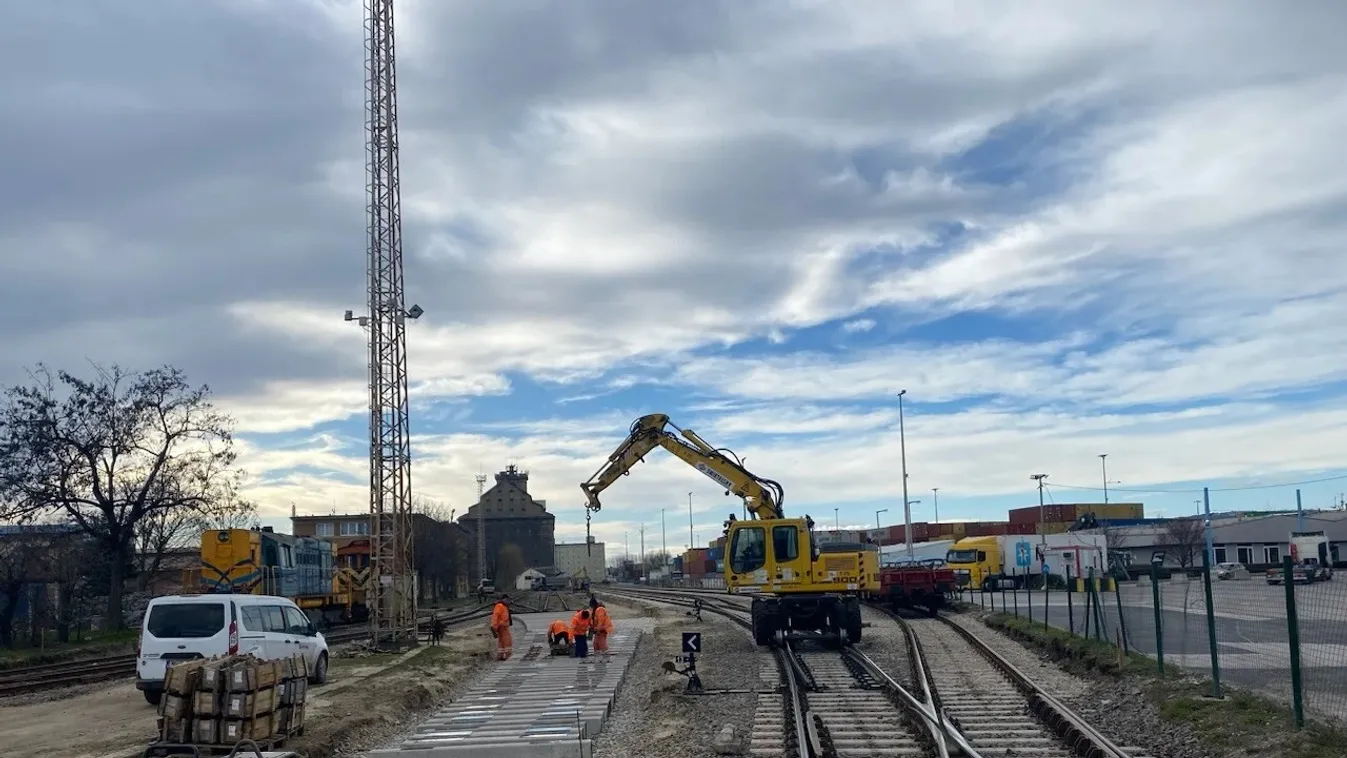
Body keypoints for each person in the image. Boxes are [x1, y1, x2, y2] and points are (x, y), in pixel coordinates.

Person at [490, 594, 514, 660]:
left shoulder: (503, 606)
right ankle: (507, 655)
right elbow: (495, 616)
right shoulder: (500, 606)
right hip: (502, 626)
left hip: (503, 626)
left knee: (502, 641)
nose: (509, 602)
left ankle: (500, 655)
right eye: (508, 600)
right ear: (505, 599)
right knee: (507, 641)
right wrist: (493, 626)